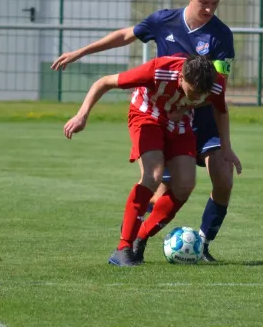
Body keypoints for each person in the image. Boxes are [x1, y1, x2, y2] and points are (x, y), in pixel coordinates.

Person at [52, 0, 235, 262]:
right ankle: (130, 243)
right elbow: (125, 36)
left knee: (220, 178)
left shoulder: (221, 35)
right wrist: (80, 53)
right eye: (204, 2)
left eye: (215, 3)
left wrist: (227, 146)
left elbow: (218, 92)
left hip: (198, 114)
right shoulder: (164, 24)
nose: (209, 9)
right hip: (157, 110)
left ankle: (202, 243)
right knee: (157, 180)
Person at [62, 54, 241, 266]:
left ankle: (140, 237)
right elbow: (104, 82)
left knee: (184, 185)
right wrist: (82, 115)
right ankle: (122, 249)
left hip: (180, 122)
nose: (195, 99)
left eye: (200, 96)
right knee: (153, 175)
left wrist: (226, 148)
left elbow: (221, 110)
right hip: (146, 115)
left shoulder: (214, 84)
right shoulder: (158, 71)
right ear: (181, 77)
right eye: (192, 93)